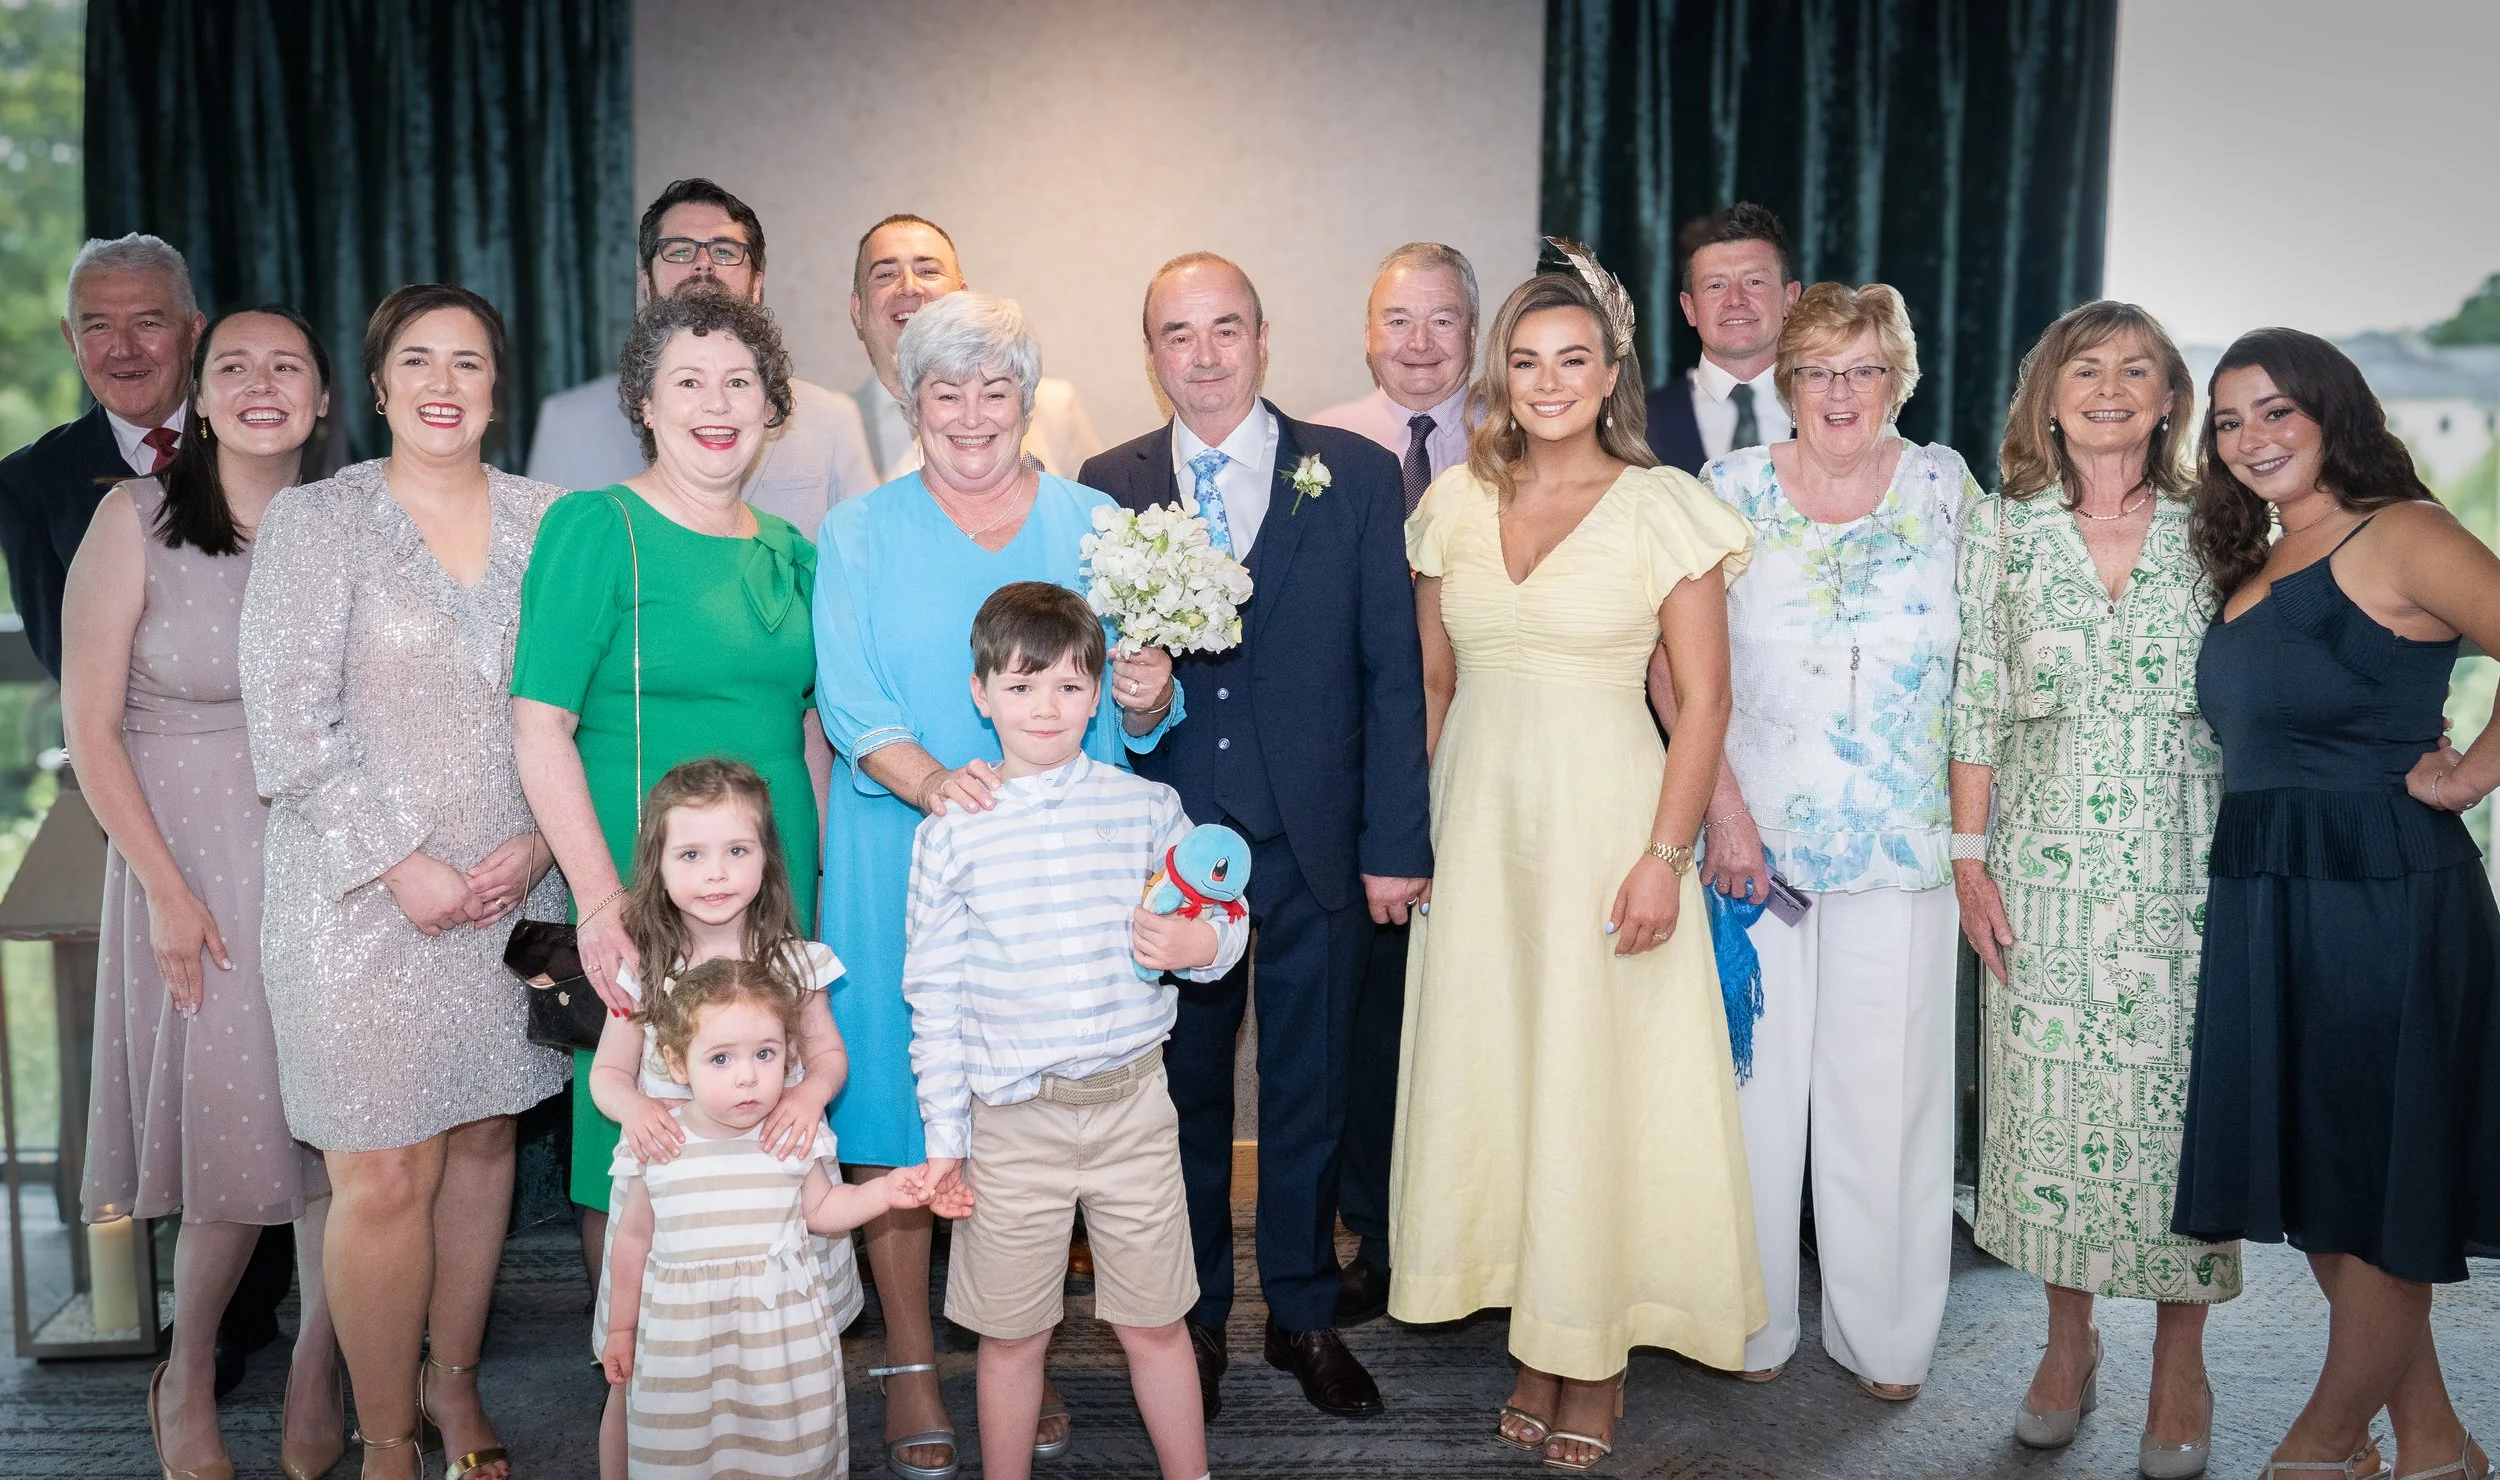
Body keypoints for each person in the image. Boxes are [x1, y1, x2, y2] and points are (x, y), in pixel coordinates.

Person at [1392, 257, 1764, 1472]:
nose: (1549, 382)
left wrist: (1667, 855)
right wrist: (1421, 836)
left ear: (1611, 375)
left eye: (1575, 359)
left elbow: (1703, 701)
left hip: (1610, 830)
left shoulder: (1665, 508)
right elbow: (1434, 686)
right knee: (1503, 1081)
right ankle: (1534, 1335)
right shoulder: (1449, 503)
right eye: (1528, 360)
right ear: (1502, 374)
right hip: (1482, 837)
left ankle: (1592, 1354)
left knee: (1595, 1086)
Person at [814, 290, 1179, 1477]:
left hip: (1071, 852)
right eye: (943, 390)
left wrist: (1141, 693)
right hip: (906, 839)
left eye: (995, 389)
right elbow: (849, 695)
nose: (971, 413)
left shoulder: (1095, 516)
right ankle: (914, 1361)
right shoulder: (860, 530)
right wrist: (936, 785)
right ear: (908, 400)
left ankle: (1025, 1356)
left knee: (1056, 1095)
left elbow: (1139, 696)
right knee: (900, 1102)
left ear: (1030, 398)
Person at [1080, 253, 1431, 1422]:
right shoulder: (1107, 484)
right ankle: (1190, 1320)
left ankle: (1301, 1311)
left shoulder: (1359, 474)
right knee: (1178, 1096)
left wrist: (1396, 840)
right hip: (1171, 849)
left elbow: (1394, 677)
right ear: (1152, 352)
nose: (1205, 353)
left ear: (1264, 337)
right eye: (1177, 333)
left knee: (1308, 1091)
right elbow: (1098, 681)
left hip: (1316, 842)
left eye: (1225, 328)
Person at [240, 284, 569, 1480]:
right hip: (355, 900)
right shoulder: (316, 523)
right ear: (375, 387)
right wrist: (402, 865)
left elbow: (579, 705)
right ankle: (387, 1440)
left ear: (497, 386)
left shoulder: (557, 521)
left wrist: (535, 849)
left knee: (484, 1139)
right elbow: (288, 728)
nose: (443, 382)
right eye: (416, 360)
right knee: (380, 1171)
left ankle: (456, 1383)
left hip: (513, 886)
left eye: (468, 361)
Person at [2175, 328, 2500, 1480]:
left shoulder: (2399, 531)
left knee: (2377, 1191)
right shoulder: (2259, 556)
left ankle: (2316, 1447)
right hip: (2271, 893)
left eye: (2274, 411)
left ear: (2329, 412)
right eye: (2226, 420)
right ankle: (2431, 1442)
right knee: (2330, 1185)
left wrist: (2463, 774)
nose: (2250, 438)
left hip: (2381, 901)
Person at [1950, 300, 2238, 1476]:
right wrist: (1966, 860)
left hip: (2189, 859)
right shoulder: (1999, 528)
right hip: (2045, 859)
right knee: (2054, 1117)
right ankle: (2066, 1344)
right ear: (2047, 394)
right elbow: (1973, 693)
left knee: (2181, 1121)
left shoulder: (2226, 522)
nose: (2110, 386)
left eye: (2138, 369)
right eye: (2086, 367)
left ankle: (2181, 1358)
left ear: (2171, 398)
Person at [510, 290, 829, 1334]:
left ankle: (762, 1366)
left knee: (767, 1126)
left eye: (740, 381)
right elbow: (538, 724)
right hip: (647, 899)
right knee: (642, 1141)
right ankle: (644, 1380)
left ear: (773, 406)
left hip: (774, 893)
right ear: (644, 403)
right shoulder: (596, 526)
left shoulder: (791, 548)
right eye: (688, 380)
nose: (716, 403)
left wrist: (813, 899)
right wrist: (600, 902)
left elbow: (811, 729)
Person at [1679, 281, 1975, 1399]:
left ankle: (1886, 1338)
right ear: (1783, 383)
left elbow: (1984, 666)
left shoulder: (1946, 486)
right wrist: (1721, 813)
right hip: (1754, 847)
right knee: (1750, 1098)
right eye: (1815, 370)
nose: (1839, 392)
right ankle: (1750, 1324)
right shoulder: (1727, 489)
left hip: (1905, 851)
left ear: (1901, 379)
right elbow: (1676, 669)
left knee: (1888, 1098)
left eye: (1864, 369)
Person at [67, 304, 342, 1480]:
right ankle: (186, 1371)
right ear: (205, 395)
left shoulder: (353, 528)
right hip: (198, 870)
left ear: (326, 399)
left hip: (334, 864)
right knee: (236, 1147)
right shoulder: (130, 520)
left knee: (349, 1145)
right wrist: (168, 893)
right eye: (236, 365)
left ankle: (321, 1374)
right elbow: (89, 729)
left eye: (289, 365)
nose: (262, 382)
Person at [904, 582, 1245, 1480]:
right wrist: (947, 1138)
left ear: (1098, 691)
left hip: (1133, 1108)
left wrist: (1198, 940)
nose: (1045, 708)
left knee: (1157, 1323)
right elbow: (933, 997)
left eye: (1066, 685)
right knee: (1012, 1336)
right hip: (1012, 1123)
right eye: (1020, 688)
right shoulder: (952, 834)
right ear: (980, 694)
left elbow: (1225, 913)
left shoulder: (1144, 810)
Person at [584, 760, 863, 1479]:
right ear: (659, 865)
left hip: (777, 1198)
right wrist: (638, 1106)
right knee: (643, 1369)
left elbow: (829, 1057)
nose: (716, 874)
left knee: (780, 1365)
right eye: (692, 854)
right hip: (675, 1204)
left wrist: (806, 1096)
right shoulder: (646, 970)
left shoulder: (793, 965)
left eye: (736, 851)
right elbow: (609, 1075)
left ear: (767, 858)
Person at [1306, 240, 1480, 1323]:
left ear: (1473, 332)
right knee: (1369, 1024)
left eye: (1442, 321)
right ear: (1367, 331)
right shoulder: (1314, 448)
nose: (1419, 344)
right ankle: (1372, 1227)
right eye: (1397, 320)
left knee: (1469, 1010)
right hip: (1358, 782)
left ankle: (1470, 1221)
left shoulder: (1523, 447)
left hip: (1484, 765)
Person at [601, 957, 956, 1480]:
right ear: (679, 1065)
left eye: (764, 1054)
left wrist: (885, 1191)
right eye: (721, 1059)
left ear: (788, 1056)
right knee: (685, 1453)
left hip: (780, 1342)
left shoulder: (790, 1137)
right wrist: (622, 1329)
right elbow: (632, 1240)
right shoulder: (659, 1142)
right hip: (684, 1343)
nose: (747, 1076)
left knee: (783, 1453)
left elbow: (823, 1210)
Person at [523, 177, 877, 529]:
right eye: (679, 251)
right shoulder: (567, 425)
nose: (703, 264)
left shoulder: (831, 421)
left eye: (725, 251)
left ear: (757, 284)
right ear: (645, 282)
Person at [1, 234, 204, 679]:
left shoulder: (257, 444)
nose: (124, 349)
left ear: (194, 332)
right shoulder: (26, 484)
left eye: (148, 324)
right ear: (71, 341)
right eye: (98, 327)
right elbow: (66, 663)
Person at [847, 213, 1102, 480]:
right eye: (886, 274)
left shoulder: (1054, 410)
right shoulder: (833, 431)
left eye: (928, 271)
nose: (909, 287)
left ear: (962, 295)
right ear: (857, 310)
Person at [1644, 204, 1801, 475]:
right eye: (1716, 286)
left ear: (1790, 299)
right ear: (1689, 308)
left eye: (1754, 282)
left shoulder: (1836, 409)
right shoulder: (1641, 424)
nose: (1736, 300)